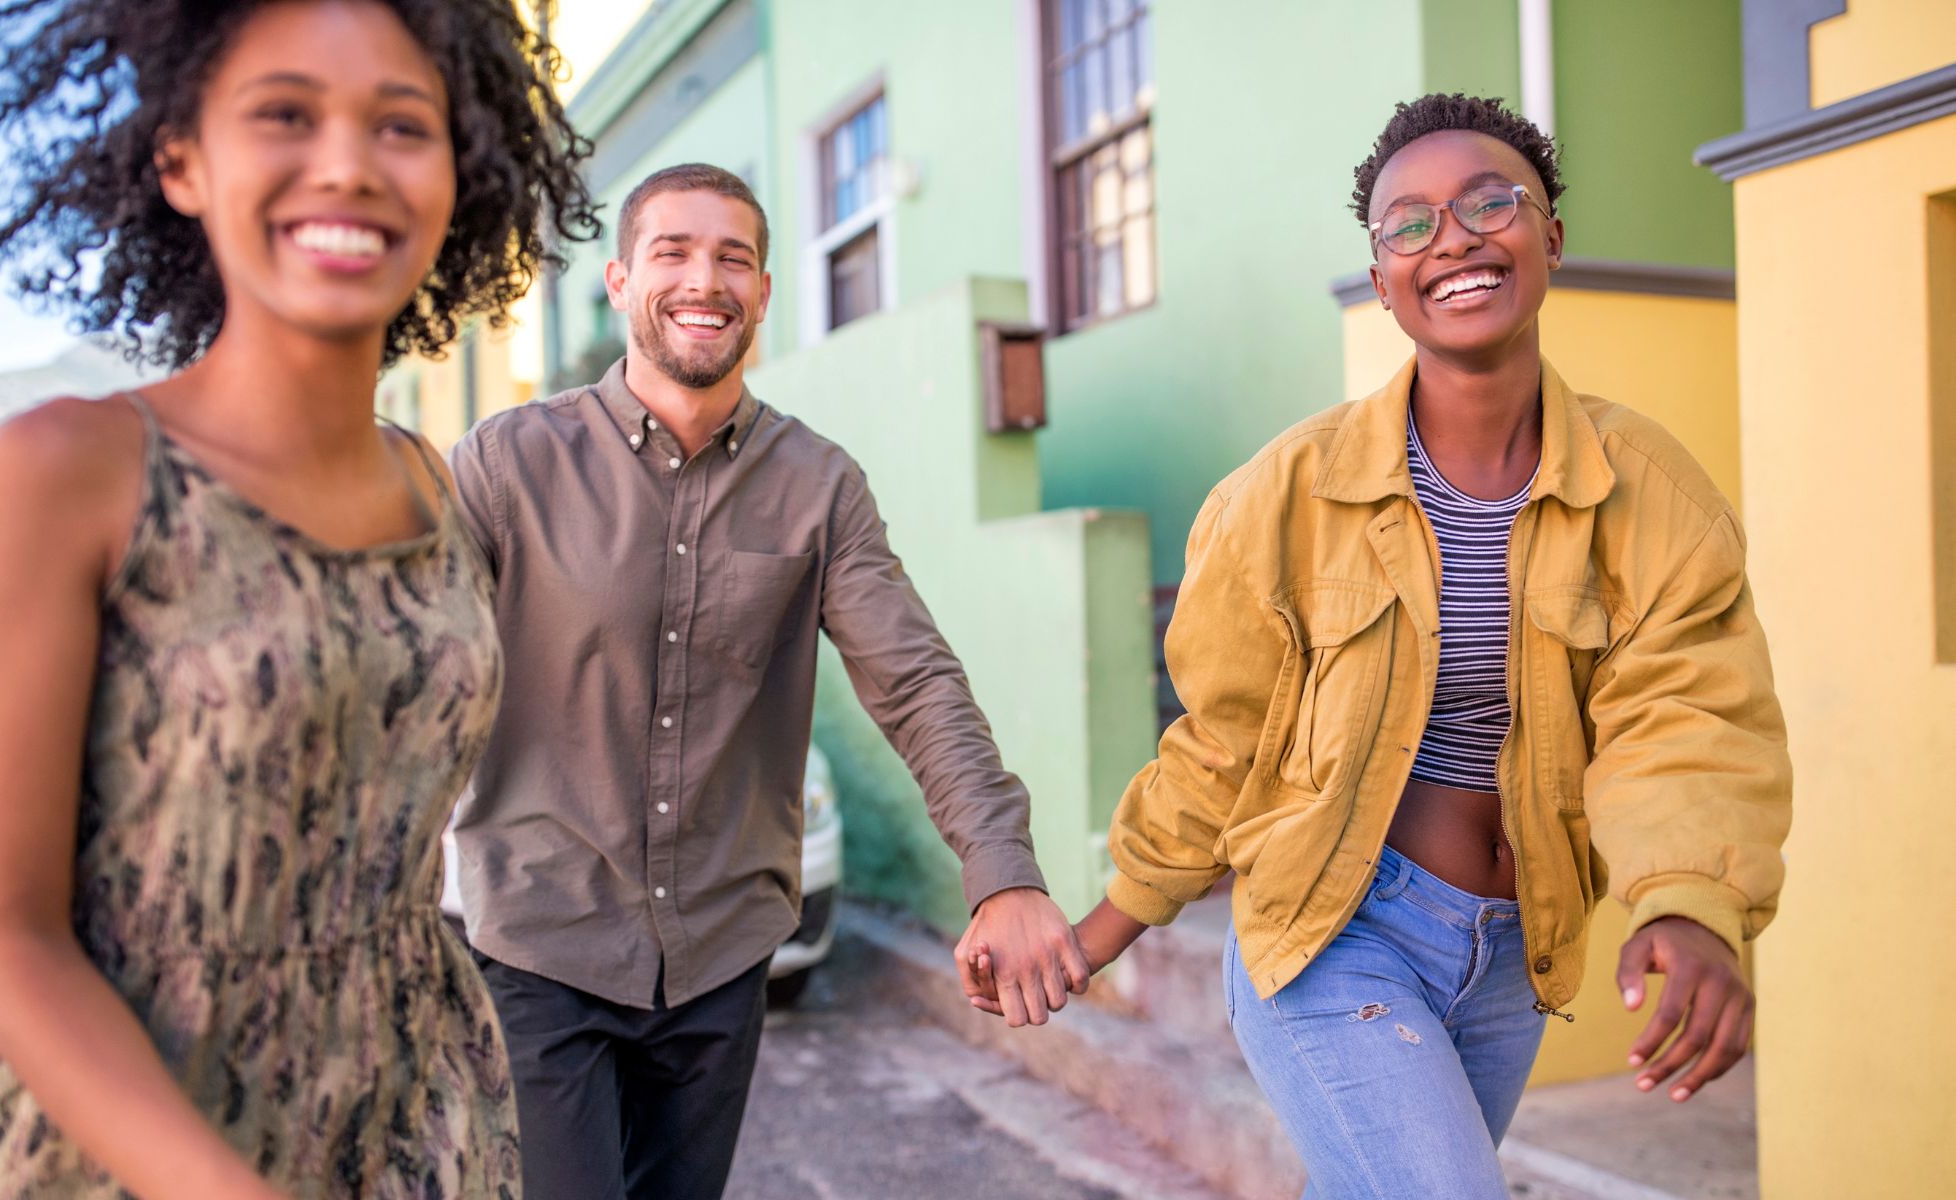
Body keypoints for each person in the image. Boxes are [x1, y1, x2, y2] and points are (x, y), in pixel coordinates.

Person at [1025, 95, 1792, 1197]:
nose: (1456, 239)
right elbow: (1223, 740)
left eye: (1492, 202)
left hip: (1510, 958)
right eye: (1410, 225)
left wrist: (1687, 901)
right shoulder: (1283, 497)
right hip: (1335, 932)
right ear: (1383, 279)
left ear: (1551, 239)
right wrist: (1102, 929)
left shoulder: (1650, 491)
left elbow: (1686, 712)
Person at [0, 2, 596, 1196]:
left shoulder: (430, 482)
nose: (348, 165)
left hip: (418, 1120)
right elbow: (4, 938)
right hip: (126, 1148)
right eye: (285, 115)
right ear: (182, 161)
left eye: (402, 126)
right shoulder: (69, 472)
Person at [446, 161, 1089, 1200]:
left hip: (718, 956)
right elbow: (417, 677)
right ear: (619, 280)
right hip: (541, 947)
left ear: (764, 291)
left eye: (732, 258)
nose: (705, 280)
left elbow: (913, 680)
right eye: (674, 253)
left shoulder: (818, 487)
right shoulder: (507, 464)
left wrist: (1002, 867)